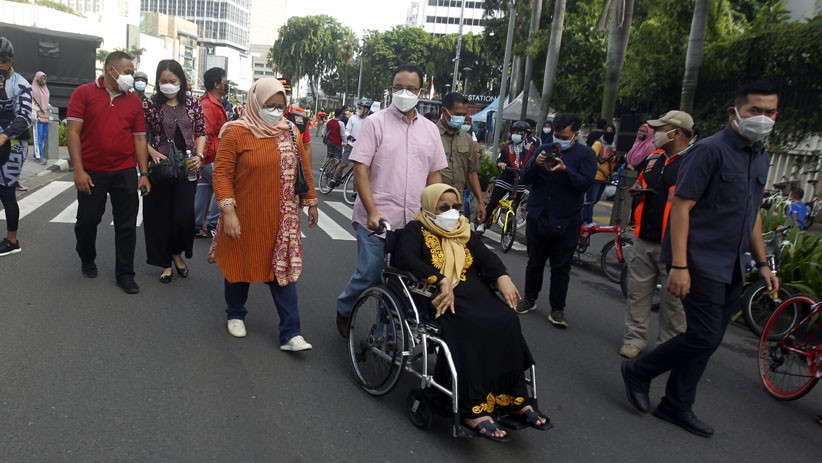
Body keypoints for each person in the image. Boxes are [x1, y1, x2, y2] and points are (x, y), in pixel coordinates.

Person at [621, 81, 780, 438]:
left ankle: (676, 404)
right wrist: (678, 265)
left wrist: (764, 263)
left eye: (770, 112)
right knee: (704, 337)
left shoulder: (761, 156)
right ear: (735, 112)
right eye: (756, 110)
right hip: (700, 260)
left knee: (706, 340)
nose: (763, 118)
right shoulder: (709, 151)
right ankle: (639, 371)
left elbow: (752, 213)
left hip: (733, 264)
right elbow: (681, 208)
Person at [394, 183, 551, 442]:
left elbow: (485, 258)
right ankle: (472, 409)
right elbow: (406, 259)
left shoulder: (463, 231)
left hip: (474, 293)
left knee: (507, 319)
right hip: (437, 295)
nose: (452, 213)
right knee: (472, 325)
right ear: (430, 207)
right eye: (444, 208)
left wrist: (502, 276)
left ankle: (514, 399)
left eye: (456, 207)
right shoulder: (416, 230)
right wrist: (439, 279)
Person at [335, 64, 448, 338]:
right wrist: (372, 211)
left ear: (421, 92)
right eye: (399, 87)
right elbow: (360, 168)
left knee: (403, 281)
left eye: (410, 88)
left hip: (413, 222)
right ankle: (346, 307)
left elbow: (435, 174)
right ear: (390, 89)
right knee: (370, 273)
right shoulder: (375, 123)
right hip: (376, 218)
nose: (404, 92)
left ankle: (383, 333)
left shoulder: (430, 131)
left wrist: (439, 214)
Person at [209, 77, 318, 351]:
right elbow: (221, 174)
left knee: (282, 274)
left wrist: (311, 201)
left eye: (280, 106)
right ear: (255, 103)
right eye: (269, 105)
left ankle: (291, 333)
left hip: (281, 218)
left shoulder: (289, 131)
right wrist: (229, 212)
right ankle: (235, 313)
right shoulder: (235, 132)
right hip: (244, 214)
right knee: (240, 267)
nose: (275, 111)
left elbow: (303, 166)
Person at [66, 51, 151, 293]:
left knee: (126, 225)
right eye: (127, 72)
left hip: (124, 170)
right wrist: (79, 170)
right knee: (88, 221)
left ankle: (125, 274)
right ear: (110, 70)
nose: (131, 77)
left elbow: (139, 140)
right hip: (92, 171)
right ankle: (86, 256)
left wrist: (143, 173)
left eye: (132, 73)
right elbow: (73, 133)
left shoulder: (133, 101)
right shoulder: (84, 93)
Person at [619, 110, 694, 360]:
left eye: (662, 129)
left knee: (673, 304)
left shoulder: (694, 162)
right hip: (644, 238)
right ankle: (634, 339)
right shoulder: (654, 158)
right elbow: (641, 181)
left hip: (673, 246)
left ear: (677, 133)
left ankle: (668, 348)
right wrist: (637, 190)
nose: (657, 134)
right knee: (637, 293)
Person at [516, 113, 597, 325]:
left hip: (567, 219)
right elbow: (524, 177)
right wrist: (535, 164)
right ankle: (529, 298)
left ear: (575, 134)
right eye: (556, 135)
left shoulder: (586, 154)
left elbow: (585, 184)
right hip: (538, 215)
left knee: (561, 267)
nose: (558, 139)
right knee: (534, 262)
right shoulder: (544, 149)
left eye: (563, 135)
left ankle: (557, 309)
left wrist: (565, 169)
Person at [141, 59, 205, 283]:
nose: (168, 85)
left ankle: (177, 253)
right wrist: (150, 152)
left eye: (172, 80)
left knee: (183, 218)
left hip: (188, 169)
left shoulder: (193, 104)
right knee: (159, 218)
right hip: (160, 169)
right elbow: (140, 136)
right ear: (158, 82)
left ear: (181, 81)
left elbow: (202, 131)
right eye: (163, 81)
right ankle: (166, 264)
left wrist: (199, 155)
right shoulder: (149, 105)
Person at [0, 37, 32, 257]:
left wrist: (4, 135)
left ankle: (12, 240)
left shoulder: (19, 83)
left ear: (10, 61)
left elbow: (24, 117)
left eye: (3, 60)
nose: (0, 65)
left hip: (13, 142)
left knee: (6, 190)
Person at [476, 120, 536, 233]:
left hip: (520, 181)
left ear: (525, 134)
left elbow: (534, 163)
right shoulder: (506, 147)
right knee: (494, 202)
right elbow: (500, 159)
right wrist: (501, 163)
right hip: (505, 178)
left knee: (514, 206)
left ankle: (508, 229)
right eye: (514, 132)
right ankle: (482, 222)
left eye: (519, 132)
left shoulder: (532, 150)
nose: (515, 135)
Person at [437, 92, 486, 224]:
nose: (461, 118)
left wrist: (480, 202)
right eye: (457, 114)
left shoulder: (467, 139)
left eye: (464, 115)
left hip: (457, 204)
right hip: (434, 203)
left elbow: (472, 172)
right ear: (444, 111)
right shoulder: (431, 134)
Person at [195, 67, 228, 238]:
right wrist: (201, 159)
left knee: (206, 187)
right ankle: (213, 224)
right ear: (216, 84)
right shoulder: (209, 105)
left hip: (209, 156)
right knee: (224, 187)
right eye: (224, 82)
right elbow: (205, 134)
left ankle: (197, 223)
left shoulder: (211, 103)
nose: (226, 85)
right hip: (210, 157)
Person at [331, 99, 371, 187]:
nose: (359, 109)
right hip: (351, 145)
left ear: (367, 109)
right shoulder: (353, 118)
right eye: (358, 107)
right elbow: (347, 130)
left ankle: (355, 191)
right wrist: (350, 137)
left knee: (357, 170)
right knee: (343, 164)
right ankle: (333, 180)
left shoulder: (370, 120)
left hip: (361, 147)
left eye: (361, 108)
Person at [583, 124, 617, 226]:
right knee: (591, 199)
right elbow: (592, 158)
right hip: (596, 175)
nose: (609, 133)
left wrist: (610, 173)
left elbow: (612, 162)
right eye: (607, 130)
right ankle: (587, 220)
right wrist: (602, 169)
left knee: (596, 199)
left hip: (605, 177)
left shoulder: (613, 146)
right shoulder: (598, 144)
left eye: (611, 131)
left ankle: (582, 216)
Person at [284, 92, 312, 163]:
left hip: (293, 168)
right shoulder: (260, 117)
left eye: (287, 91)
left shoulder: (300, 119)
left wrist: (307, 173)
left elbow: (306, 148)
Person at [30, 71, 51, 165]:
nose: (43, 80)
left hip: (45, 116)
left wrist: (49, 106)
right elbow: (31, 103)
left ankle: (37, 154)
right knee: (37, 137)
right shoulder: (32, 89)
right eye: (41, 78)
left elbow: (45, 102)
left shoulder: (45, 89)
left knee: (43, 137)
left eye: (44, 78)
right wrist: (32, 115)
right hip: (37, 116)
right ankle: (39, 157)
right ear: (37, 78)